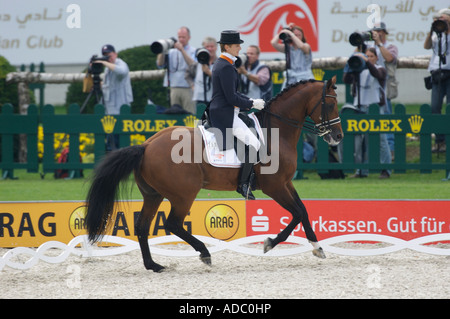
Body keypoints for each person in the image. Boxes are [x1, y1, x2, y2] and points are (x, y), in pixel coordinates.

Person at [209, 30, 265, 200]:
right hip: (225, 114)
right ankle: (243, 184)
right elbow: (231, 97)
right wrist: (251, 104)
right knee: (255, 144)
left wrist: (250, 100)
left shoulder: (225, 64)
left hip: (225, 110)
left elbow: (234, 93)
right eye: (236, 45)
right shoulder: (225, 67)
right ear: (227, 46)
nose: (240, 47)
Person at [343, 47, 392, 179]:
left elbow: (377, 74)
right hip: (360, 106)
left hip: (375, 106)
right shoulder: (358, 70)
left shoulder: (380, 68)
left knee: (381, 138)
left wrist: (367, 62)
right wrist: (350, 65)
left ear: (376, 58)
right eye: (367, 56)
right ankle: (361, 171)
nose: (368, 58)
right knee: (360, 141)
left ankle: (386, 169)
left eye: (371, 56)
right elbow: (346, 80)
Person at [94, 44, 133, 151]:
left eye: (109, 55)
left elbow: (122, 72)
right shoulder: (108, 69)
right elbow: (109, 86)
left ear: (115, 54)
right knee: (111, 144)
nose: (108, 58)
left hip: (120, 110)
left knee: (120, 143)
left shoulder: (121, 64)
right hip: (109, 112)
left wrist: (105, 63)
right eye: (105, 56)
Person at [370, 22, 399, 156]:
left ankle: (391, 149)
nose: (377, 33)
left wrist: (379, 43)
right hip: (369, 88)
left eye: (380, 31)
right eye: (375, 31)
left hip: (384, 88)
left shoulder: (390, 46)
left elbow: (389, 58)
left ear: (385, 33)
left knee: (386, 119)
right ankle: (373, 151)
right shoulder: (368, 47)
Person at [424, 8, 450, 153]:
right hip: (437, 73)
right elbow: (427, 46)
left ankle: (448, 139)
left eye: (445, 19)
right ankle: (440, 140)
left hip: (449, 72)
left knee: (449, 108)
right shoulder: (436, 35)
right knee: (435, 107)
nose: (442, 22)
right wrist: (432, 30)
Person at [156, 26, 196, 114]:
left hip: (188, 87)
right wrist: (162, 50)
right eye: (179, 37)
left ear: (189, 38)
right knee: (174, 114)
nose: (181, 39)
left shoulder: (193, 51)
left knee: (190, 114)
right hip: (174, 87)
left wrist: (182, 50)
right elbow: (160, 64)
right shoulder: (171, 51)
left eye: (183, 37)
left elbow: (193, 65)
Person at [270, 23, 314, 88]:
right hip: (291, 80)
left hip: (305, 78)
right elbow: (273, 43)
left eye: (299, 35)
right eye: (296, 35)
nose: (297, 37)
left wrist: (291, 34)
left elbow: (301, 46)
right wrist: (283, 31)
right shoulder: (289, 48)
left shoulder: (306, 46)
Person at [185, 36, 218, 108]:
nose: (210, 49)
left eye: (212, 46)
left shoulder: (219, 63)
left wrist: (209, 73)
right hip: (198, 98)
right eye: (207, 47)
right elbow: (187, 74)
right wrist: (192, 85)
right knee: (199, 119)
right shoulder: (197, 64)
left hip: (214, 99)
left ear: (216, 48)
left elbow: (222, 80)